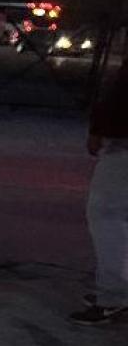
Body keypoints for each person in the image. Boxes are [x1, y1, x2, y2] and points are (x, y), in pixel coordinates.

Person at [73, 53, 128, 325]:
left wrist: (98, 128)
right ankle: (115, 292)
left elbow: (118, 98)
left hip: (123, 142)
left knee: (107, 217)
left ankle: (113, 297)